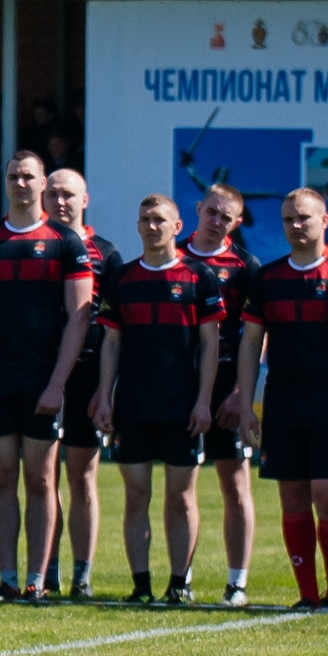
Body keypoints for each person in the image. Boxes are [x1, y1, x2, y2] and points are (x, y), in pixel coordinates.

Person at [222, 188, 328, 610]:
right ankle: (307, 595)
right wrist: (246, 406)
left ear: (324, 221)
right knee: (291, 498)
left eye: (304, 218)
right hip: (283, 406)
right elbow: (251, 344)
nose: (295, 225)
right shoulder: (267, 279)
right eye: (289, 219)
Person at [0, 151, 97, 604]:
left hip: (43, 380)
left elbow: (79, 317)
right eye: (13, 176)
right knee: (0, 479)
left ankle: (37, 579)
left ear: (42, 183)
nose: (20, 183)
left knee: (41, 481)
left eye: (28, 176)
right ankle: (7, 578)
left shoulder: (65, 243)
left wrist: (58, 383)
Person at [93, 194, 223, 605]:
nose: (151, 227)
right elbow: (111, 343)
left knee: (181, 497)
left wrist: (203, 400)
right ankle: (141, 585)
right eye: (145, 219)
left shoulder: (200, 277)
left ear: (177, 226)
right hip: (133, 405)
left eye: (159, 220)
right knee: (136, 495)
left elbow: (210, 345)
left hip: (181, 406)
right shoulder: (123, 278)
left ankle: (179, 583)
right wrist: (104, 396)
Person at [182, 184, 261, 604]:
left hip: (227, 387)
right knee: (181, 485)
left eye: (225, 217)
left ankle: (237, 583)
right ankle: (181, 579)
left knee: (235, 482)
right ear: (198, 209)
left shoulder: (247, 267)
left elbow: (259, 334)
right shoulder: (174, 255)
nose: (216, 221)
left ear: (237, 223)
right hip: (178, 388)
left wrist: (240, 393)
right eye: (211, 212)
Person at [44, 169, 118, 598]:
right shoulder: (32, 246)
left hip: (87, 374)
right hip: (39, 371)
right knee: (43, 479)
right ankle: (47, 570)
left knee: (82, 476)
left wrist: (106, 388)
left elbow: (114, 330)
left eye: (68, 194)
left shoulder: (106, 254)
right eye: (53, 193)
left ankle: (82, 575)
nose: (61, 201)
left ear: (85, 200)